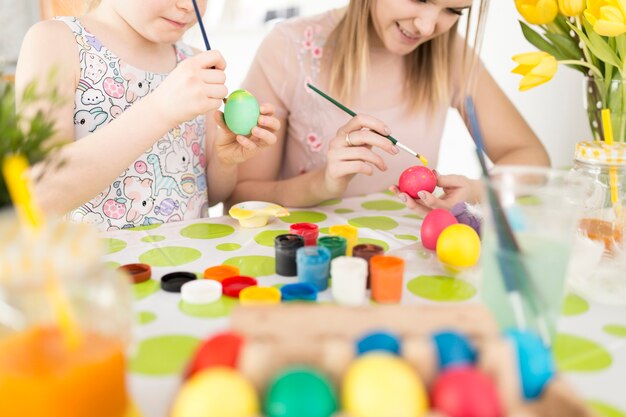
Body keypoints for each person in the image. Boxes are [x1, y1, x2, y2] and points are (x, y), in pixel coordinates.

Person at [229, 0, 549, 214]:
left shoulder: (447, 53)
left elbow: (532, 159)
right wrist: (323, 183)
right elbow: (239, 198)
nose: (427, 27)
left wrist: (479, 190)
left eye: (454, 10)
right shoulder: (289, 48)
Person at [14, 0, 280, 230]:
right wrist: (160, 110)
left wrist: (225, 162)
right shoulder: (55, 41)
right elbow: (38, 195)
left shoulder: (195, 64)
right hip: (95, 280)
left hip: (186, 274)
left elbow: (210, 196)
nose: (188, 5)